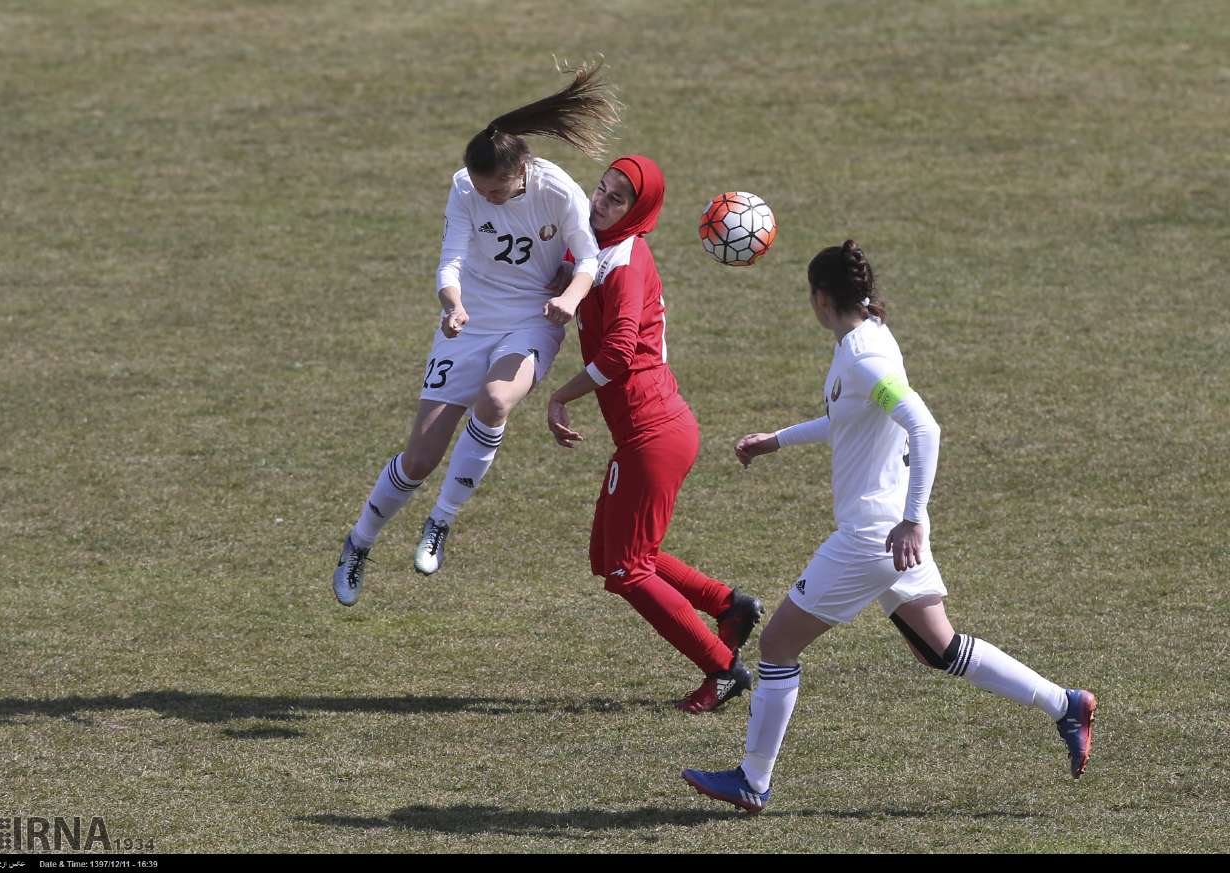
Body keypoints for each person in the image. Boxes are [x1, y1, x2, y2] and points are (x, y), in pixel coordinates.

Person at [681, 240, 1097, 809]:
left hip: (875, 536)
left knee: (776, 647)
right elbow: (847, 422)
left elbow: (924, 427)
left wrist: (910, 520)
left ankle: (753, 780)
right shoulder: (871, 338)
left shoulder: (862, 355)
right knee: (942, 649)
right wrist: (776, 440)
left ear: (821, 298)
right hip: (892, 535)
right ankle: (1067, 704)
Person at [332, 62, 620, 605]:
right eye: (482, 189)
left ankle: (440, 521)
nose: (487, 197)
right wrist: (453, 306)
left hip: (533, 318)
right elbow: (451, 261)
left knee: (495, 399)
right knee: (419, 458)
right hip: (468, 322)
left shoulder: (558, 191)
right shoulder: (465, 186)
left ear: (522, 172)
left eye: (497, 191)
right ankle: (358, 543)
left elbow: (588, 258)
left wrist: (568, 299)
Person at [545, 155, 764, 712]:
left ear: (638, 211)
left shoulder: (624, 263)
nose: (600, 202)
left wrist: (559, 396)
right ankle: (729, 605)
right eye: (601, 189)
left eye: (617, 199)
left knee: (627, 569)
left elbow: (618, 352)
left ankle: (722, 668)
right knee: (610, 555)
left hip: (653, 435)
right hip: (649, 433)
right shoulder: (606, 250)